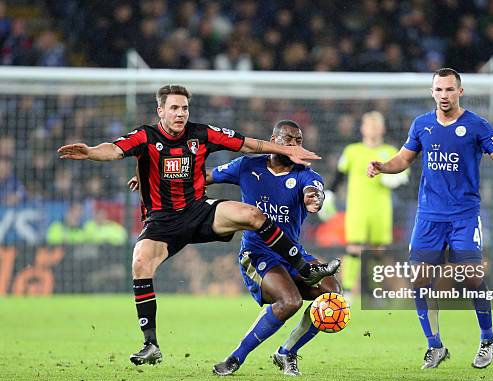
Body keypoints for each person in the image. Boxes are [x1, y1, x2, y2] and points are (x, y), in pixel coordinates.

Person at [58, 85, 340, 366]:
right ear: (161, 111)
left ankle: (304, 270)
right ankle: (150, 344)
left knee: (253, 216)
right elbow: (115, 150)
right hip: (162, 220)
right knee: (141, 263)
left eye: (184, 108)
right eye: (174, 108)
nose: (180, 113)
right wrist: (92, 151)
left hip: (197, 210)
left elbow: (249, 144)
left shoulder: (202, 134)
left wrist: (295, 165)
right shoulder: (146, 136)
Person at [129, 120, 341, 376]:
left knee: (333, 294)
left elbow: (313, 192)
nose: (295, 145)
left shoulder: (305, 173)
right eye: (288, 140)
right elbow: (202, 178)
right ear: (273, 139)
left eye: (298, 141)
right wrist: (155, 178)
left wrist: (313, 199)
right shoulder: (247, 165)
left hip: (292, 251)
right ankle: (235, 358)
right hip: (257, 254)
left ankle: (287, 353)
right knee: (290, 301)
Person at [367, 68, 493, 369]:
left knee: (472, 276)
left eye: (449, 90)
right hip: (429, 217)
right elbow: (404, 159)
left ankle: (487, 338)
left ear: (460, 92)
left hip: (464, 215)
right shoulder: (422, 125)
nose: (443, 95)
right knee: (419, 279)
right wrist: (383, 166)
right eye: (438, 90)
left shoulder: (476, 125)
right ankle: (435, 346)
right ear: (432, 92)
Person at [323, 111, 408, 291]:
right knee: (353, 247)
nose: (373, 129)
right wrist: (329, 192)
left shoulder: (390, 152)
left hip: (381, 209)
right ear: (363, 128)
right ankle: (346, 290)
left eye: (376, 125)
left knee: (378, 250)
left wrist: (397, 178)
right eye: (370, 125)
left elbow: (403, 174)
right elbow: (340, 174)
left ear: (383, 128)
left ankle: (374, 291)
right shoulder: (352, 151)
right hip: (357, 208)